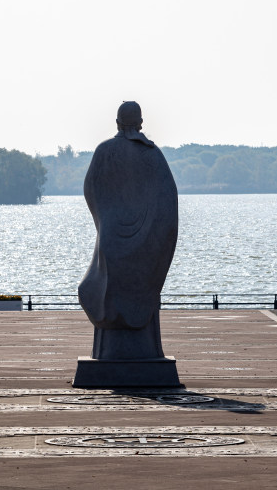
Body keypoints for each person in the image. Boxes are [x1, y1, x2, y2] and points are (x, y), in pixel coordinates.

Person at [78, 101, 178, 360]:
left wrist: (106, 220)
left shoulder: (105, 151)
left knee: (104, 288)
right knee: (134, 288)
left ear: (117, 123)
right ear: (141, 123)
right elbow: (168, 201)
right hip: (146, 241)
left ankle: (110, 351)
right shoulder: (152, 154)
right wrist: (152, 232)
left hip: (112, 237)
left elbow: (91, 190)